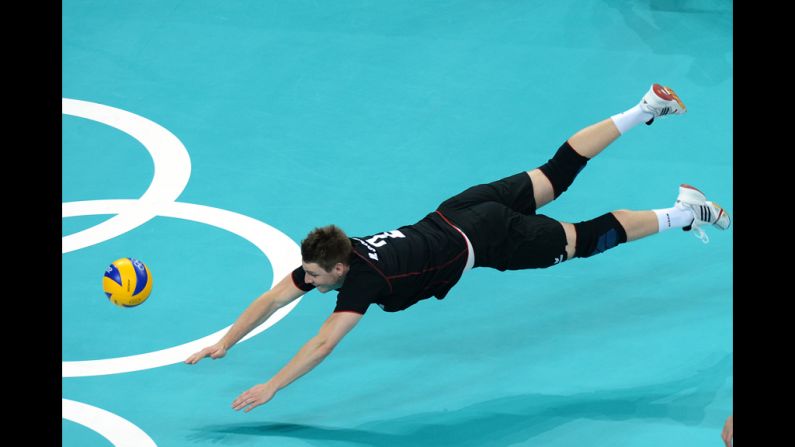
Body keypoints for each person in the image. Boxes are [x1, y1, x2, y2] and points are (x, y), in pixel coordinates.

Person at [185, 83, 731, 413]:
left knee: (585, 240)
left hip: (488, 237)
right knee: (556, 171)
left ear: (341, 265)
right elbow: (271, 299)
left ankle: (685, 211)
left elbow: (323, 343)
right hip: (458, 209)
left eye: (316, 276)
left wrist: (272, 385)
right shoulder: (331, 260)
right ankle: (645, 107)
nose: (307, 282)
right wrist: (227, 343)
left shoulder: (363, 282)